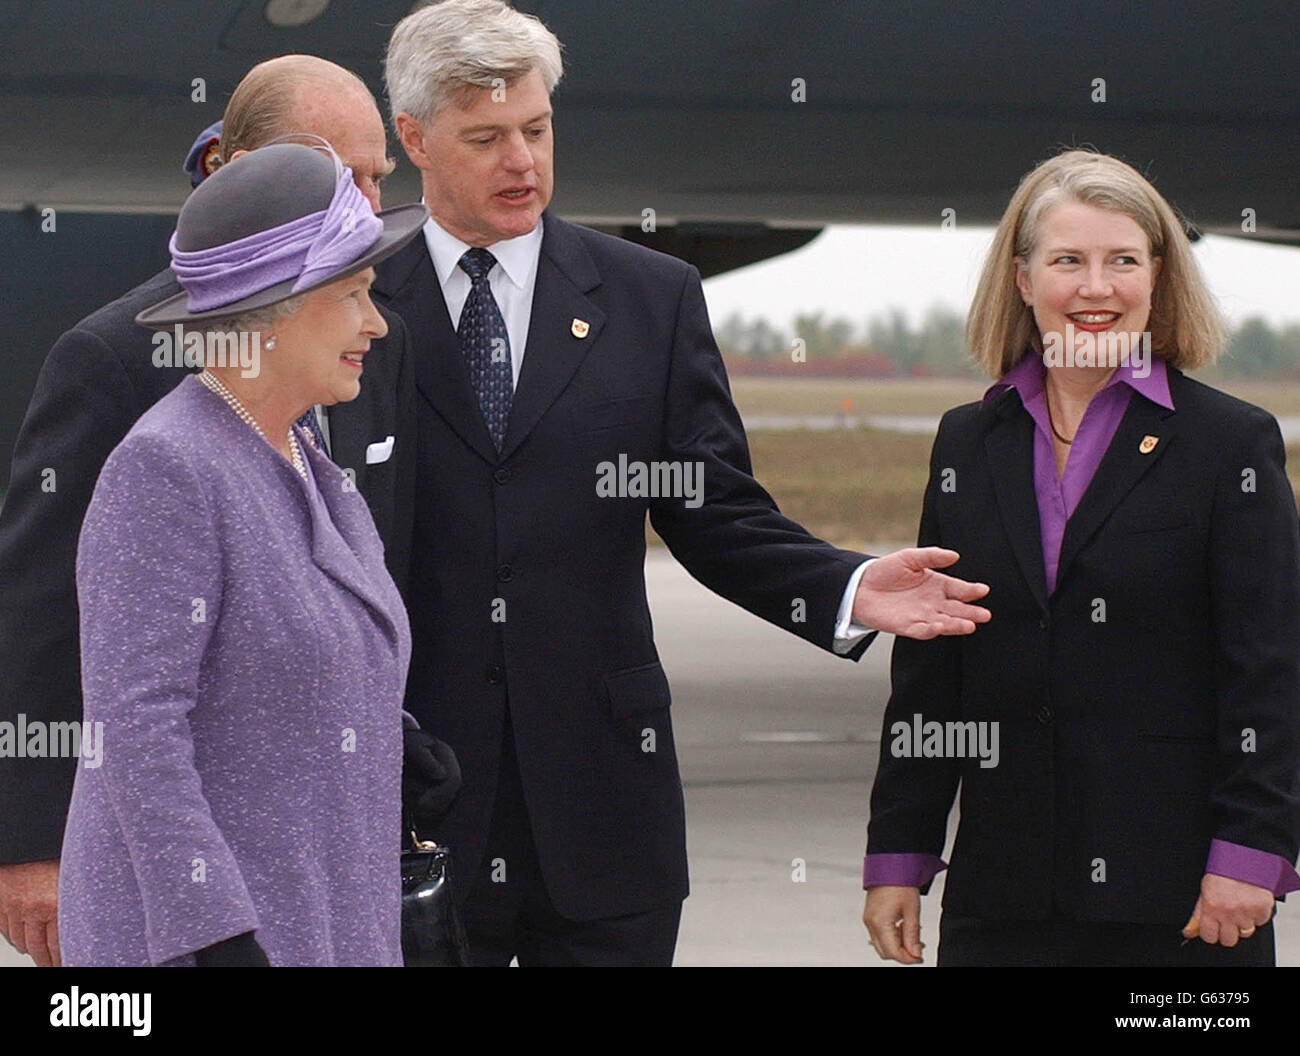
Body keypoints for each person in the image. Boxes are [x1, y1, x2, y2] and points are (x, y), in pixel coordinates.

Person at [377, 0, 991, 966]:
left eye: (537, 130)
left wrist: (843, 584)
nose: (523, 163)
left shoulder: (646, 298)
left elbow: (712, 511)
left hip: (605, 805)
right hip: (408, 798)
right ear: (413, 137)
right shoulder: (355, 300)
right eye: (486, 138)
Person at [0, 54, 457, 968]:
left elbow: (291, 644)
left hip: (324, 905)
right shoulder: (165, 464)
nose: (377, 323)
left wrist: (394, 738)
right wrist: (211, 935)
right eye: (354, 294)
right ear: (276, 309)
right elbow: (133, 726)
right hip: (219, 931)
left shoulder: (309, 459)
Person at [861, 149, 1300, 967]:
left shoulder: (1229, 443)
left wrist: (1252, 851)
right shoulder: (970, 440)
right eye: (1068, 261)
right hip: (1003, 894)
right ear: (1025, 280)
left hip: (1184, 897)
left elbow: (1270, 672)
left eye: (1122, 261)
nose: (1095, 288)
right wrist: (900, 851)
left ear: (1158, 277)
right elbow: (933, 670)